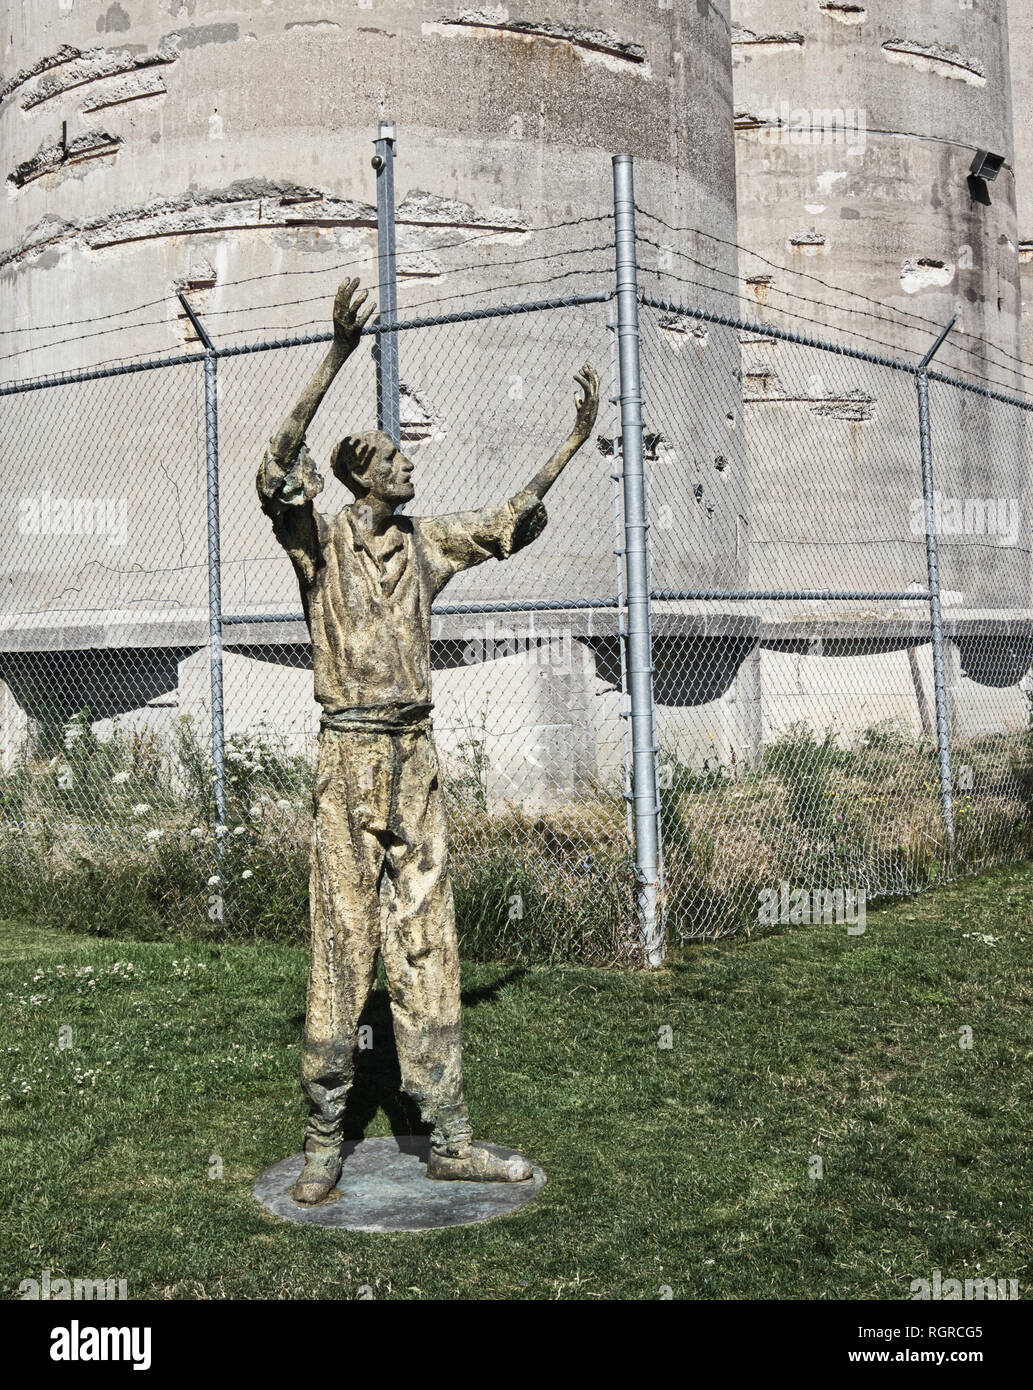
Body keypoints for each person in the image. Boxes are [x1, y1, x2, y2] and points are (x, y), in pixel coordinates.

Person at [257, 278, 599, 1204]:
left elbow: (506, 523)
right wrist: (333, 354)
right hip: (347, 756)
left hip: (416, 758)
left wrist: (570, 442)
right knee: (342, 939)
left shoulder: (426, 544)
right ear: (362, 472)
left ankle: (447, 1133)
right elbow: (275, 464)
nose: (411, 469)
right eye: (396, 461)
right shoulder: (316, 543)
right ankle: (325, 1136)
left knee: (427, 940)